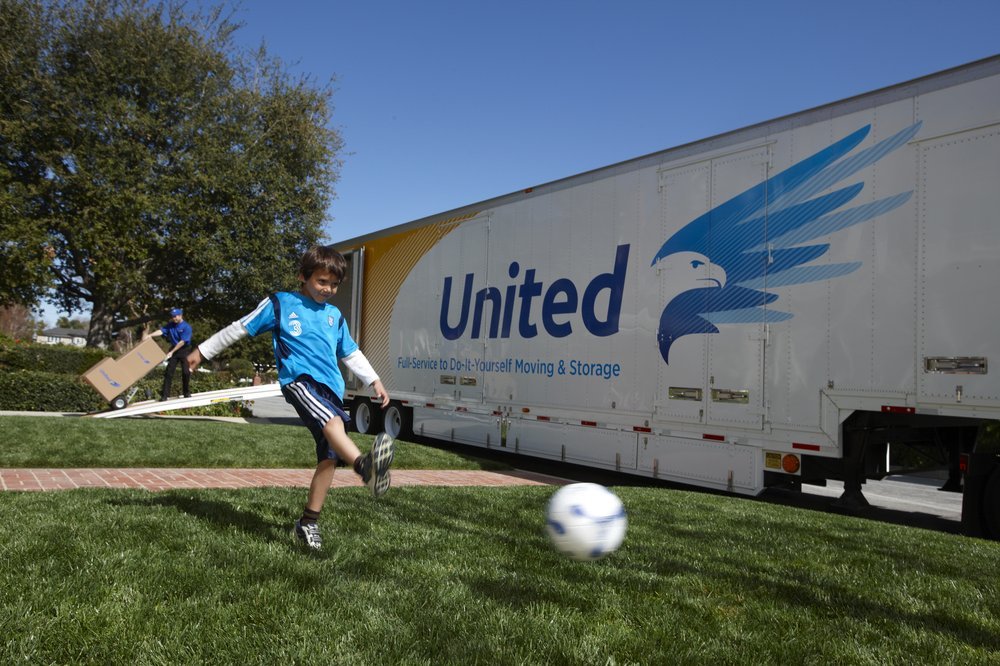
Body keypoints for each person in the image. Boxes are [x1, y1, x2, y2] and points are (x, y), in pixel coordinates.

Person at [186, 245, 394, 550]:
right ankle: (364, 467)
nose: (327, 289)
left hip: (331, 389)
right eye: (321, 281)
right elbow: (240, 328)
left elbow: (349, 352)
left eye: (334, 284)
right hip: (299, 382)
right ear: (303, 276)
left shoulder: (334, 316)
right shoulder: (281, 303)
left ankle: (308, 522)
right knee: (332, 422)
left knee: (329, 456)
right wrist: (202, 351)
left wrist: (373, 379)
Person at [144, 308, 194, 400]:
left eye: (175, 316)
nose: (173, 318)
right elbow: (161, 331)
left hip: (184, 350)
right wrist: (150, 335)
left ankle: (186, 392)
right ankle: (165, 395)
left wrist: (171, 352)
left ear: (180, 316)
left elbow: (182, 342)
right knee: (169, 372)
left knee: (186, 372)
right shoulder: (170, 325)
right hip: (174, 350)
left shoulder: (186, 327)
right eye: (172, 316)